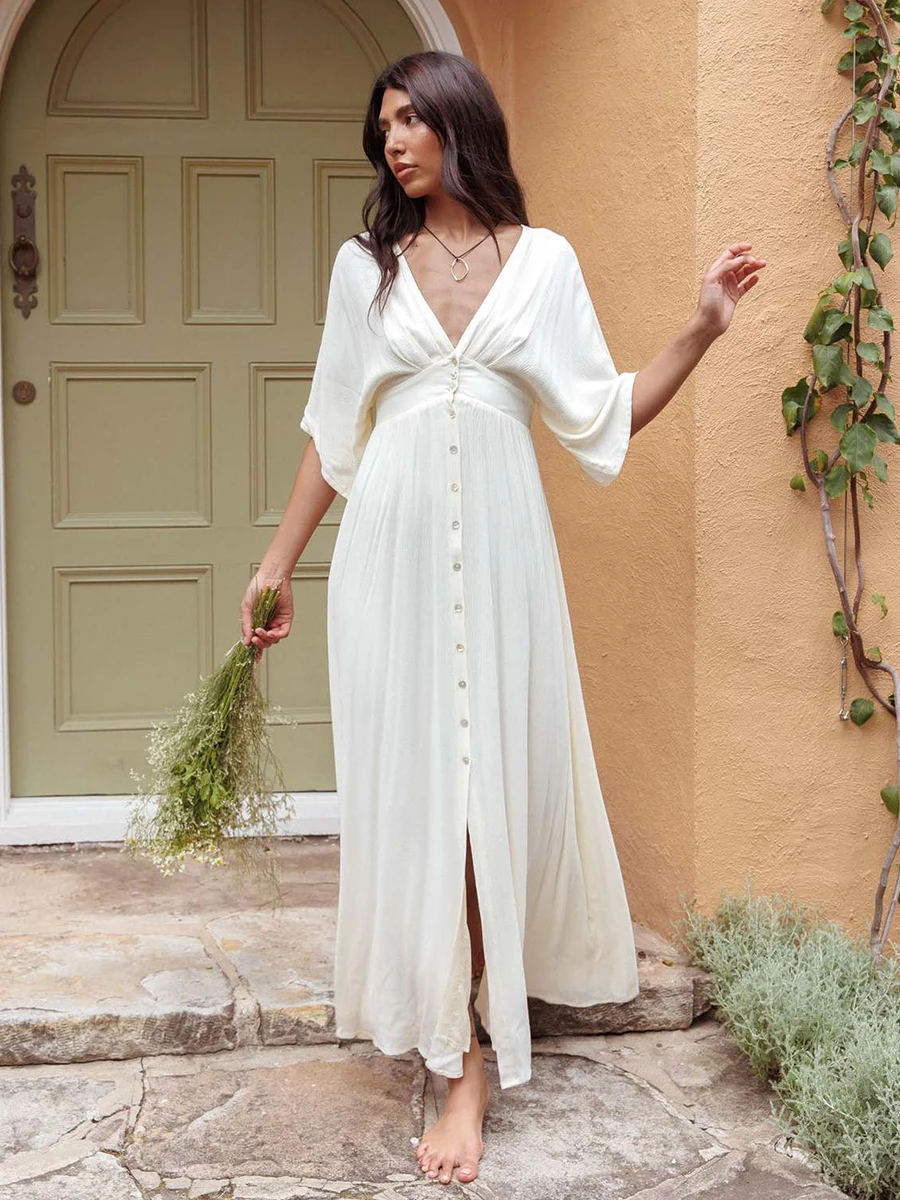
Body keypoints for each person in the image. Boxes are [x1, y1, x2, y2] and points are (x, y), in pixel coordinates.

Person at [240, 49, 765, 1189]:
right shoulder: (364, 269)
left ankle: (469, 1043)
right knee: (421, 798)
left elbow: (602, 414)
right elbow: (333, 430)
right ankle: (456, 1054)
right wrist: (278, 565)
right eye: (384, 125)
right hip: (390, 561)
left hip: (505, 560)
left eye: (412, 119)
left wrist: (703, 327)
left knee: (484, 804)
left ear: (460, 122)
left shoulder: (546, 263)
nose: (394, 141)